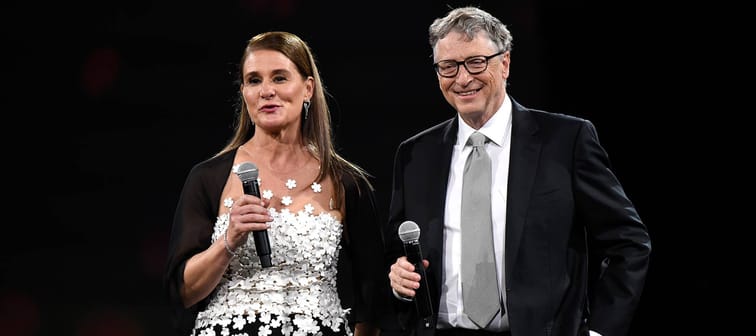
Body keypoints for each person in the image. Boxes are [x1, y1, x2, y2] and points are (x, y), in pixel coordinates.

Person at [382, 6, 651, 336]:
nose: (462, 79)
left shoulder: (565, 141)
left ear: (505, 63)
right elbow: (398, 252)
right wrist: (398, 279)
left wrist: (600, 332)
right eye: (448, 67)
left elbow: (628, 243)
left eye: (476, 62)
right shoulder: (415, 155)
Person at [164, 31, 384, 336]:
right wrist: (228, 242)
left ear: (307, 89)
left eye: (279, 78)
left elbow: (372, 300)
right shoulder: (208, 178)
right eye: (254, 80)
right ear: (244, 93)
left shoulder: (348, 183)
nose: (266, 90)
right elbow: (184, 292)